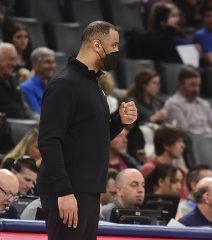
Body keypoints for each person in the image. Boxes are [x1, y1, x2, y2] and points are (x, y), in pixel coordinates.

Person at [37, 21, 138, 240]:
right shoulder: (64, 84)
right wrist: (64, 192)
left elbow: (95, 136)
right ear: (97, 45)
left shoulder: (93, 84)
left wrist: (120, 121)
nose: (117, 51)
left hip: (89, 189)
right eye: (114, 45)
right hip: (68, 190)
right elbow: (49, 141)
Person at [164, 67, 212, 140]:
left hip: (211, 142)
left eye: (198, 86)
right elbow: (183, 132)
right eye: (192, 85)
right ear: (180, 85)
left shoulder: (204, 104)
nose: (196, 90)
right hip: (193, 144)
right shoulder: (174, 104)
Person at [20, 47, 56, 115]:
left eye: (53, 62)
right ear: (35, 65)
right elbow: (37, 113)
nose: (52, 66)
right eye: (47, 62)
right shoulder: (27, 87)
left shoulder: (55, 84)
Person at [0, 42, 31, 119]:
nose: (14, 64)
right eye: (11, 59)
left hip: (23, 125)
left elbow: (23, 108)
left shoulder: (13, 80)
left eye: (15, 60)